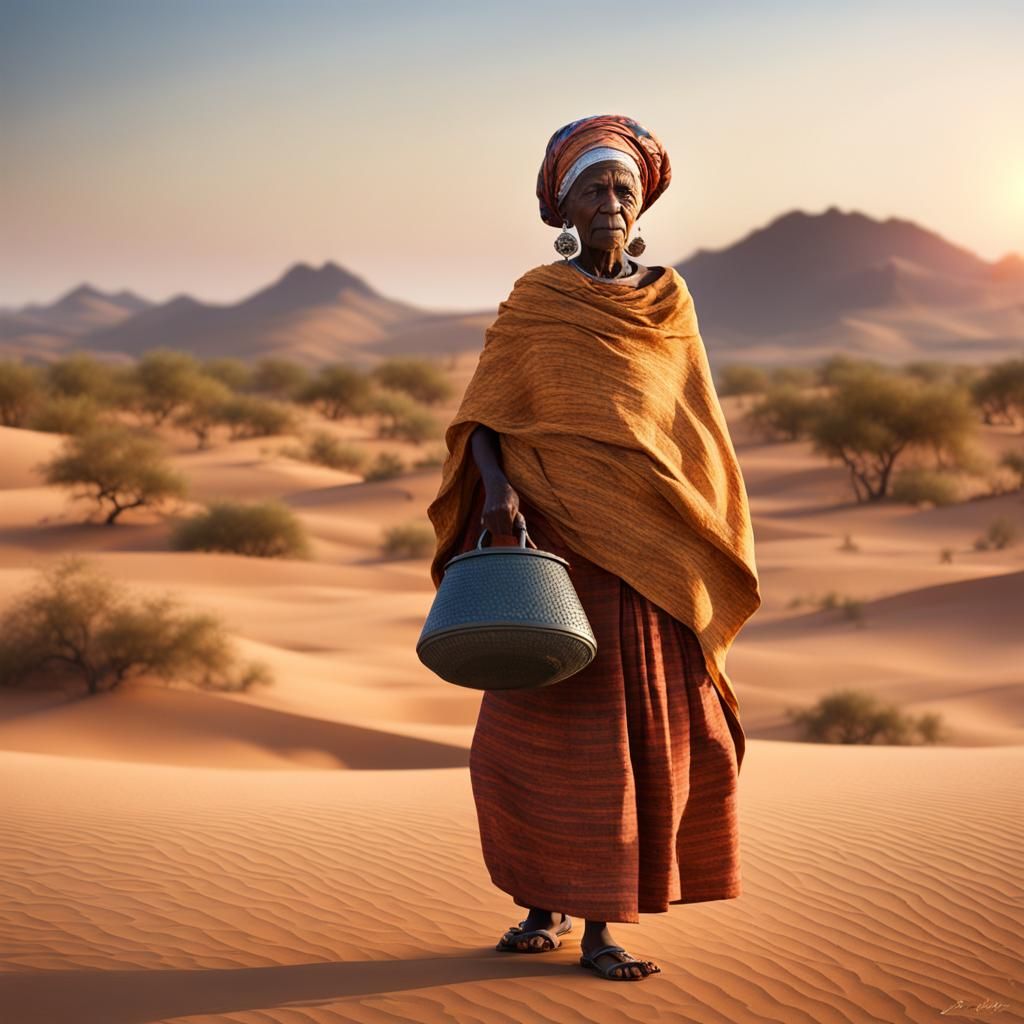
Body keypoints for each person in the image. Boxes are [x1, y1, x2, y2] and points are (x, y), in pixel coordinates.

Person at [426, 113, 762, 982]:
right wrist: (497, 493)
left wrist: (694, 526)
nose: (612, 203)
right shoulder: (540, 299)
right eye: (594, 189)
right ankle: (542, 906)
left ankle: (607, 927)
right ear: (564, 206)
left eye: (623, 189)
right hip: (552, 556)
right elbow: (484, 416)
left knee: (641, 740)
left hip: (649, 555)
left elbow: (691, 430)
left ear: (641, 199)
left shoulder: (669, 300)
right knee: (544, 741)